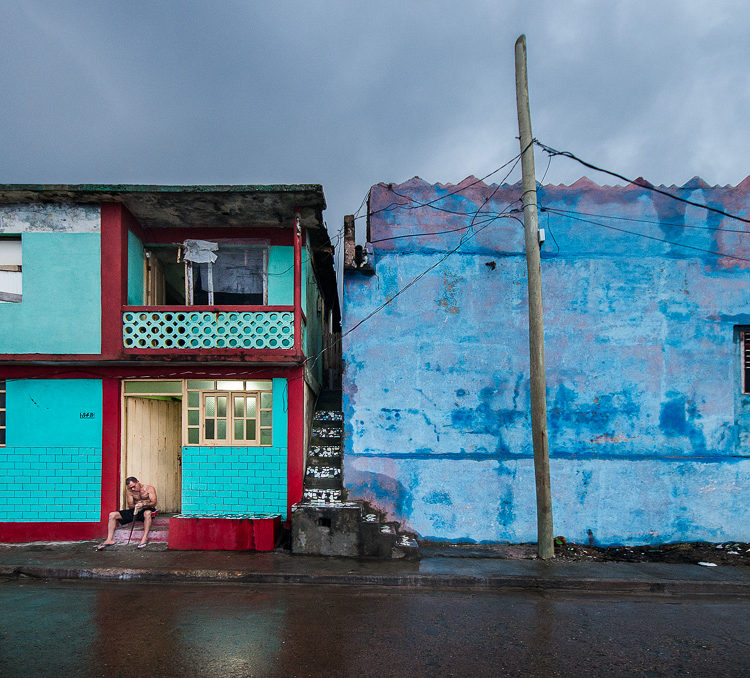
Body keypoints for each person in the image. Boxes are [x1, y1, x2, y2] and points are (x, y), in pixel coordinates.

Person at [96, 476, 158, 550]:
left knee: (147, 513)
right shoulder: (130, 491)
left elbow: (154, 503)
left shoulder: (149, 488)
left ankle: (145, 538)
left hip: (148, 509)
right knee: (112, 515)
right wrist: (138, 505)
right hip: (135, 510)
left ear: (137, 482)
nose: (133, 489)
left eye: (134, 486)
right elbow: (131, 505)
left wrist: (144, 504)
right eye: (130, 488)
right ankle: (109, 540)